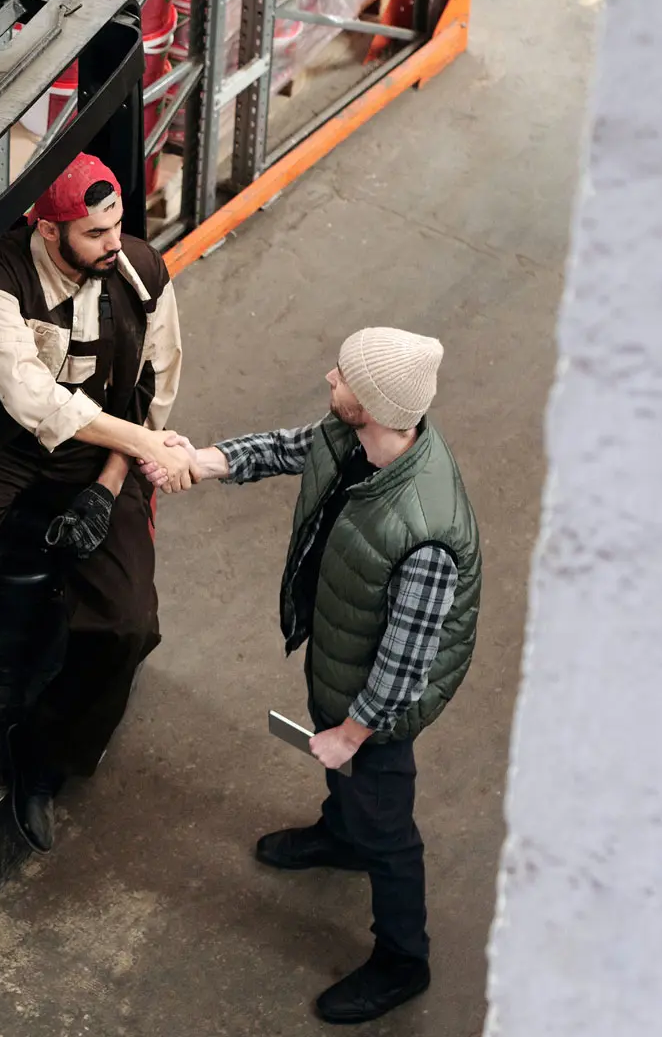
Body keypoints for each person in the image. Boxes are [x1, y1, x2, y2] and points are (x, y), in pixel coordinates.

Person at [144, 327, 483, 1024]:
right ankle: (341, 833)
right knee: (341, 770)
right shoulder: (352, 436)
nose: (330, 377)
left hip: (378, 705)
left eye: (344, 377)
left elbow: (406, 660)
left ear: (380, 406)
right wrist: (204, 460)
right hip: (340, 653)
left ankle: (401, 959)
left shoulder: (427, 533)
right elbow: (287, 448)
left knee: (389, 832)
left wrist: (356, 734)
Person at [0, 152, 195, 852]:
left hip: (101, 452)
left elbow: (154, 397)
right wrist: (140, 440)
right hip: (6, 443)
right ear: (48, 230)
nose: (114, 245)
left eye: (117, 226)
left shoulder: (143, 276)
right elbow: (28, 399)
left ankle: (42, 752)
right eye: (94, 234)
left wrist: (109, 486)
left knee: (131, 623)